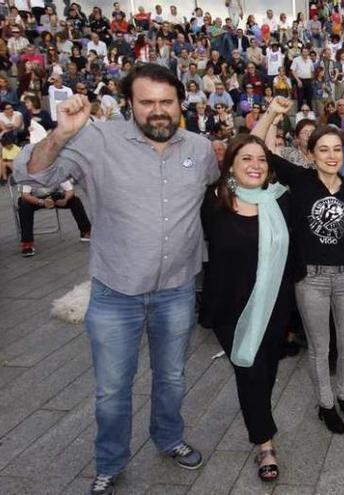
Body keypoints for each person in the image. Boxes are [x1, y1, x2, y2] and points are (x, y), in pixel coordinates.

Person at [13, 64, 217, 495]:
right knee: (111, 390)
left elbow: (220, 190)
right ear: (130, 104)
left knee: (173, 377)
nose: (158, 112)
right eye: (147, 103)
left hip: (177, 289)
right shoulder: (95, 138)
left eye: (167, 102)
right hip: (115, 292)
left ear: (181, 103)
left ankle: (168, 438)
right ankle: (110, 462)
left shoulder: (199, 150)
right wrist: (61, 133)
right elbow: (32, 176)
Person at [253, 97, 344, 435]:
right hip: (311, 279)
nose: (331, 155)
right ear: (312, 153)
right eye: (324, 150)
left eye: (336, 149)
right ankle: (326, 404)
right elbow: (257, 149)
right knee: (320, 348)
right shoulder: (300, 180)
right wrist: (272, 114)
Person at [199, 134, 291, 483]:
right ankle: (265, 444)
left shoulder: (279, 200)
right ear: (231, 166)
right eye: (246, 159)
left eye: (262, 160)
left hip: (274, 305)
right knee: (249, 371)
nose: (255, 165)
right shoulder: (216, 200)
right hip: (230, 309)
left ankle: (258, 418)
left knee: (265, 373)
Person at [17, 175, 92, 257]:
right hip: (34, 199)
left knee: (75, 201)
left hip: (53, 197)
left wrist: (65, 199)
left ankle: (85, 232)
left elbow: (70, 190)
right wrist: (41, 202)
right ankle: (27, 243)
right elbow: (25, 195)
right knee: (24, 206)